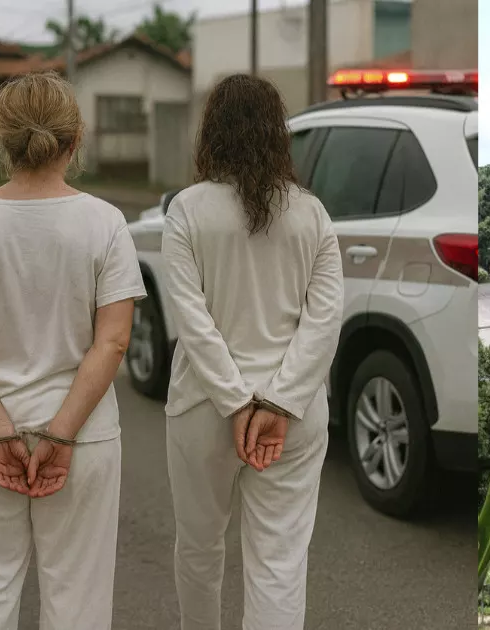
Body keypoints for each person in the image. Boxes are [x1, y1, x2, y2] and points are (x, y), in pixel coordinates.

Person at [0, 71, 146, 629]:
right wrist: (60, 433)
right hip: (84, 434)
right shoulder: (106, 224)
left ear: (2, 140)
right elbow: (114, 340)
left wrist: (1, 430)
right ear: (75, 140)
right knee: (78, 600)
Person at [163, 74, 344, 629]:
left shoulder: (186, 211)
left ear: (211, 133)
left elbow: (191, 320)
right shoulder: (312, 215)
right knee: (279, 562)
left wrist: (237, 403)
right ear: (277, 134)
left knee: (199, 548)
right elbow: (324, 321)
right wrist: (279, 403)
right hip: (293, 420)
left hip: (203, 409)